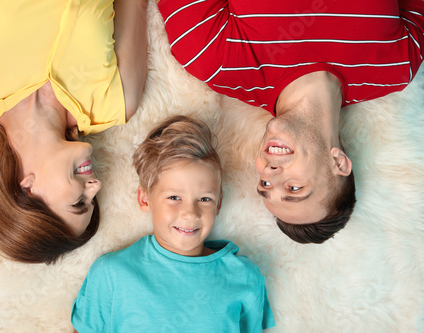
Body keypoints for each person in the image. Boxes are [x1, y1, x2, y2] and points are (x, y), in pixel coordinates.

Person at [157, 0, 424, 243]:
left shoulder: (214, 60)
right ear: (338, 162)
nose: (269, 173)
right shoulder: (398, 66)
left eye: (264, 186)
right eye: (294, 188)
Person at [0, 0, 147, 263]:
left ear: (28, 189)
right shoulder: (118, 100)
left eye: (79, 203)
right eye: (93, 200)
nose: (95, 186)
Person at [71, 115, 275, 332]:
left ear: (219, 203)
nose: (190, 214)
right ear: (145, 199)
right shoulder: (111, 273)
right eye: (174, 198)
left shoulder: (245, 276)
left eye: (204, 199)